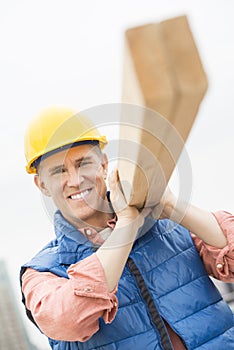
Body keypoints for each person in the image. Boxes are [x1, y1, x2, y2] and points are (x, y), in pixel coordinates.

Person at [20, 107, 234, 350]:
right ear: (42, 185)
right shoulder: (41, 272)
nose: (75, 180)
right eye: (59, 171)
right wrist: (126, 226)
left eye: (83, 163)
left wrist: (171, 204)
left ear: (103, 164)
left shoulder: (166, 227)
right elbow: (68, 320)